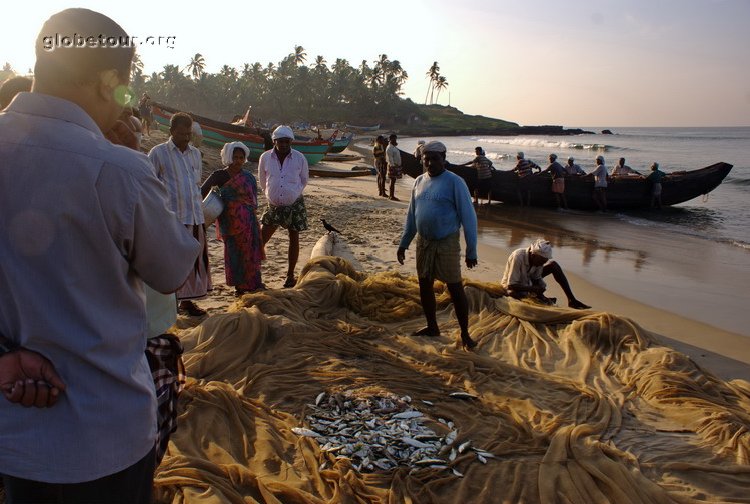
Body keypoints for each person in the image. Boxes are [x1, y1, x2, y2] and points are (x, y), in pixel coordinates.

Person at [0, 8, 201, 503]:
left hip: (12, 431)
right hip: (102, 432)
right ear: (108, 81)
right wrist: (138, 168)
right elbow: (174, 268)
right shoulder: (117, 170)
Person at [397, 141, 478, 350]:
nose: (430, 163)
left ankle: (465, 333)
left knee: (455, 287)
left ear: (444, 159)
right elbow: (412, 216)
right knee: (425, 284)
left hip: (447, 243)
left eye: (435, 159)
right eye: (427, 159)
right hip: (423, 242)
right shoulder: (419, 182)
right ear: (422, 160)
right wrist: (404, 243)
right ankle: (432, 326)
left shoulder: (455, 182)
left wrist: (471, 251)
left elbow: (469, 218)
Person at [149, 112, 212, 316]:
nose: (185, 138)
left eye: (188, 134)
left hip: (195, 214)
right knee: (174, 262)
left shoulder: (195, 154)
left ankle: (187, 302)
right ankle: (172, 304)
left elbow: (195, 184)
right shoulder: (158, 153)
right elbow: (150, 184)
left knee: (194, 261)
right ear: (172, 131)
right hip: (173, 217)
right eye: (182, 134)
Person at [201, 142, 264, 295]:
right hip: (230, 223)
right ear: (229, 157)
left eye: (241, 157)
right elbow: (202, 191)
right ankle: (240, 287)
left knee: (250, 252)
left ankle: (254, 283)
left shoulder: (248, 177)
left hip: (248, 222)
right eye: (235, 157)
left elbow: (253, 200)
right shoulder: (219, 175)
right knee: (235, 254)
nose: (238, 160)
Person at [258, 125, 310, 288]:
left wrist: (293, 194)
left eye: (287, 141)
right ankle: (254, 273)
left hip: (294, 205)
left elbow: (304, 179)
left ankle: (290, 276)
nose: (284, 144)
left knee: (293, 238)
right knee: (260, 239)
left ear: (291, 141)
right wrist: (270, 194)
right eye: (280, 141)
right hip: (273, 205)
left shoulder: (300, 158)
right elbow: (262, 180)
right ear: (274, 141)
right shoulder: (265, 157)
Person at [501, 239, 590, 309]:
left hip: (528, 281)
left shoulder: (539, 260)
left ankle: (572, 300)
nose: (541, 264)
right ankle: (537, 299)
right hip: (515, 284)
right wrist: (534, 289)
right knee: (511, 293)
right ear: (533, 255)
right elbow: (511, 285)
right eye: (540, 262)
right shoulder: (518, 257)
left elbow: (536, 278)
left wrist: (540, 290)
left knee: (553, 265)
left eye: (544, 262)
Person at [386, 133, 402, 200]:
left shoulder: (393, 147)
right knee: (392, 181)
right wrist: (393, 166)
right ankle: (391, 196)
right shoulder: (389, 148)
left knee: (393, 181)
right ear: (390, 139)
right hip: (393, 166)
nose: (395, 140)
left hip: (396, 166)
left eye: (395, 139)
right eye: (393, 139)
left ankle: (391, 195)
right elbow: (390, 158)